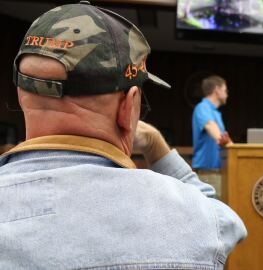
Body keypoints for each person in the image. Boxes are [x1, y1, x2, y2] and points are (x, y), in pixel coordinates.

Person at [0, 2, 246, 269]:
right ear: (129, 106)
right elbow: (226, 225)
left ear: (22, 95)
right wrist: (157, 148)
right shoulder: (196, 219)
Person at [192, 75, 232, 198]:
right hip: (208, 174)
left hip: (218, 173)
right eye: (225, 90)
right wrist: (231, 146)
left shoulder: (215, 112)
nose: (227, 94)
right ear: (217, 89)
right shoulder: (202, 107)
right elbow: (211, 127)